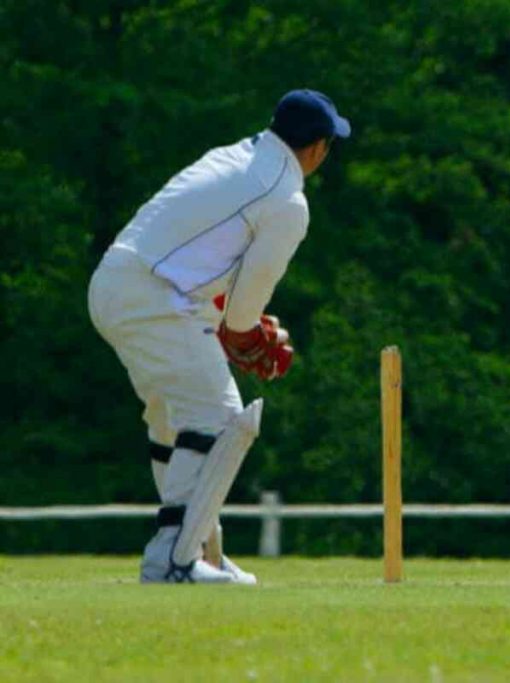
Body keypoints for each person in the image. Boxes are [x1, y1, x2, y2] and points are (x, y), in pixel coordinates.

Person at [88, 89, 350, 584]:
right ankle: (172, 559)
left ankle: (203, 555)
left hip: (116, 282)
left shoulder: (233, 156)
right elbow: (245, 307)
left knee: (173, 419)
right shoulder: (287, 201)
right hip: (155, 297)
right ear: (318, 148)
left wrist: (233, 325)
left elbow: (200, 262)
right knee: (222, 418)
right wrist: (245, 332)